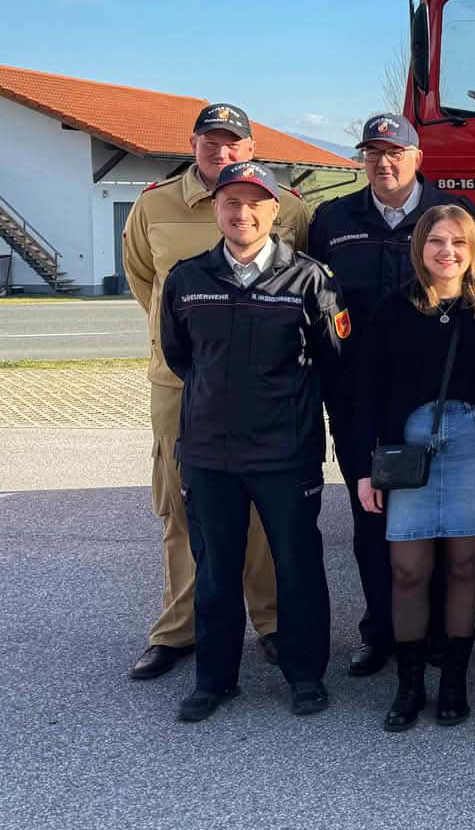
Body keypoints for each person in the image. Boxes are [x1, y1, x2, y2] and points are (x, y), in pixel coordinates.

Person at [123, 103, 309, 681]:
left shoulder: (292, 209)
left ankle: (271, 622)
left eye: (233, 142)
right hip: (182, 385)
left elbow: (301, 279)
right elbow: (148, 286)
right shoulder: (153, 205)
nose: (221, 151)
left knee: (257, 508)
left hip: (263, 389)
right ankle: (179, 629)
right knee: (181, 504)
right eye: (211, 141)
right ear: (194, 143)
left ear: (251, 149)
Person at [309, 113, 475, 678]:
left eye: (395, 152)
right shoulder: (333, 219)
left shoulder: (454, 216)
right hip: (361, 397)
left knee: (445, 523)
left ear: (418, 157)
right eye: (372, 153)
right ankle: (381, 630)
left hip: (441, 400)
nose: (383, 162)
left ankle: (437, 633)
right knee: (375, 516)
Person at [158, 161, 340, 721]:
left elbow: (332, 359)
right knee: (215, 570)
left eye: (255, 203)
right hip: (211, 454)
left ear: (274, 210)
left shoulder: (310, 278)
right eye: (231, 202)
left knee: (298, 566)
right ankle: (215, 681)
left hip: (285, 453)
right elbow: (181, 357)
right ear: (216, 209)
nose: (243, 213)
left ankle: (306, 676)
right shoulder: (187, 279)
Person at [356, 205, 475, 730]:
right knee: (408, 569)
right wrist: (365, 467)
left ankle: (453, 680)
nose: (447, 252)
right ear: (420, 247)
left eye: (458, 242)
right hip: (408, 450)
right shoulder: (393, 309)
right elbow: (365, 392)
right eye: (436, 241)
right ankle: (410, 686)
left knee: (462, 566)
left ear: (474, 249)